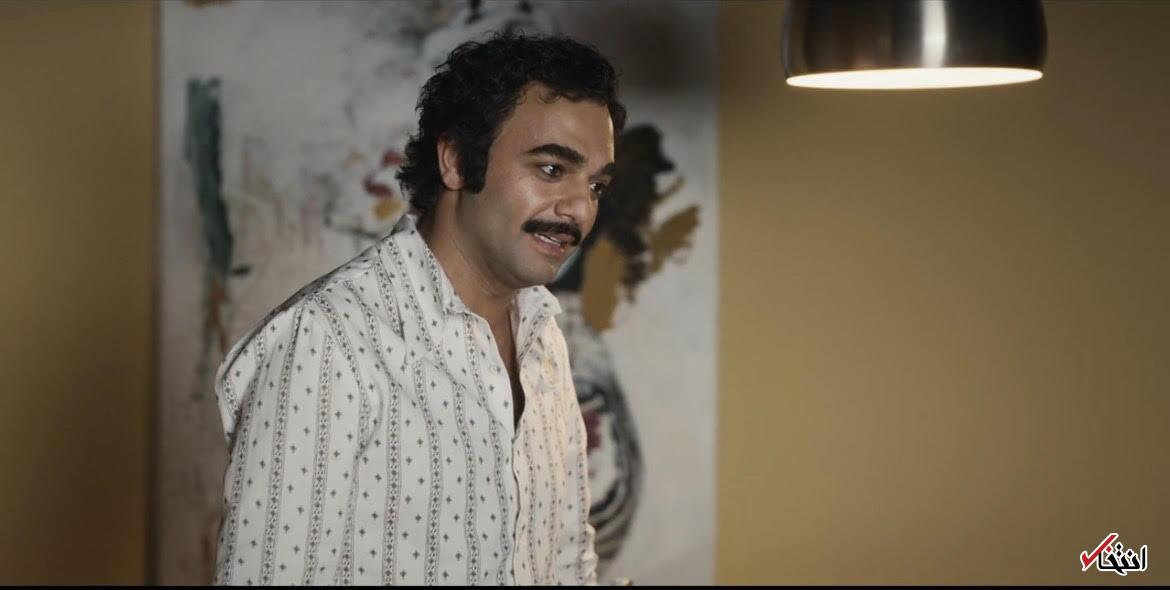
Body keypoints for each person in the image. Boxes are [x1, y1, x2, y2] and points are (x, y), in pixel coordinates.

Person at [211, 32, 624, 586]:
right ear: (455, 161)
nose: (579, 210)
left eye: (596, 186)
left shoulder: (543, 336)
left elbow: (568, 563)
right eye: (552, 169)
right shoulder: (329, 338)